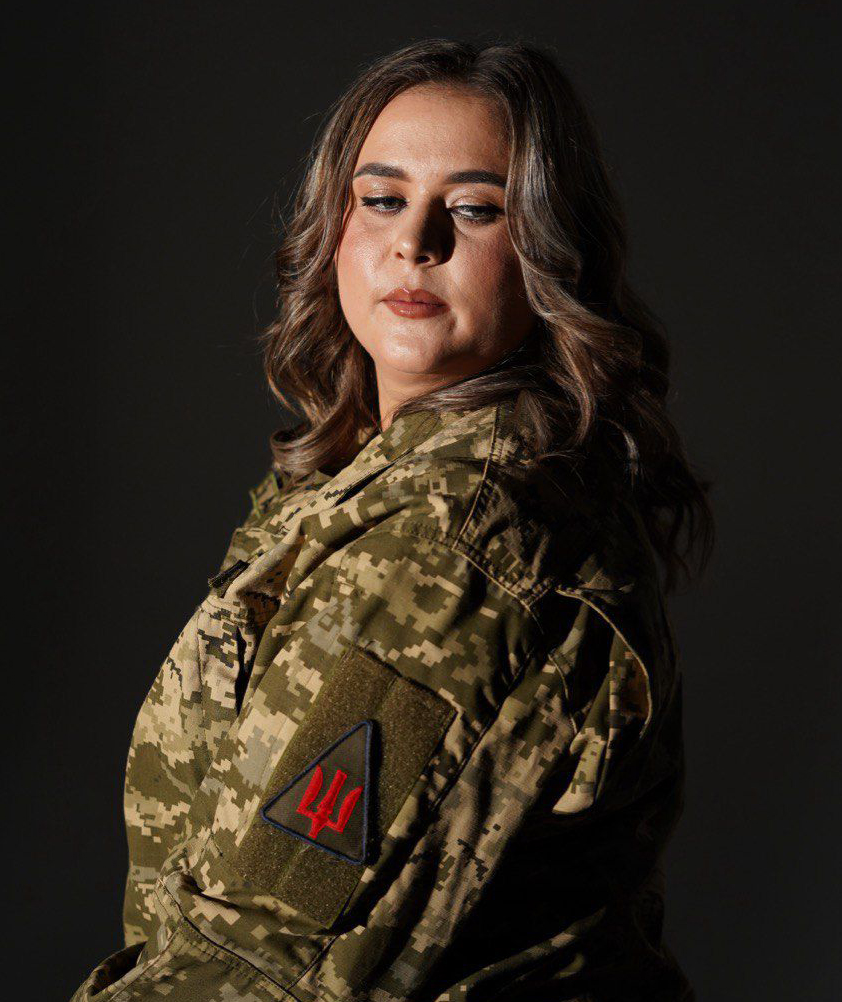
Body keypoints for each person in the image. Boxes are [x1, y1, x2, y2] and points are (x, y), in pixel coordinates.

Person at [70, 38, 714, 1002]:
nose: (416, 242)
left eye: (475, 209)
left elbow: (261, 971)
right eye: (381, 198)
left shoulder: (454, 541)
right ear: (333, 226)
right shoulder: (381, 477)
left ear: (549, 250)